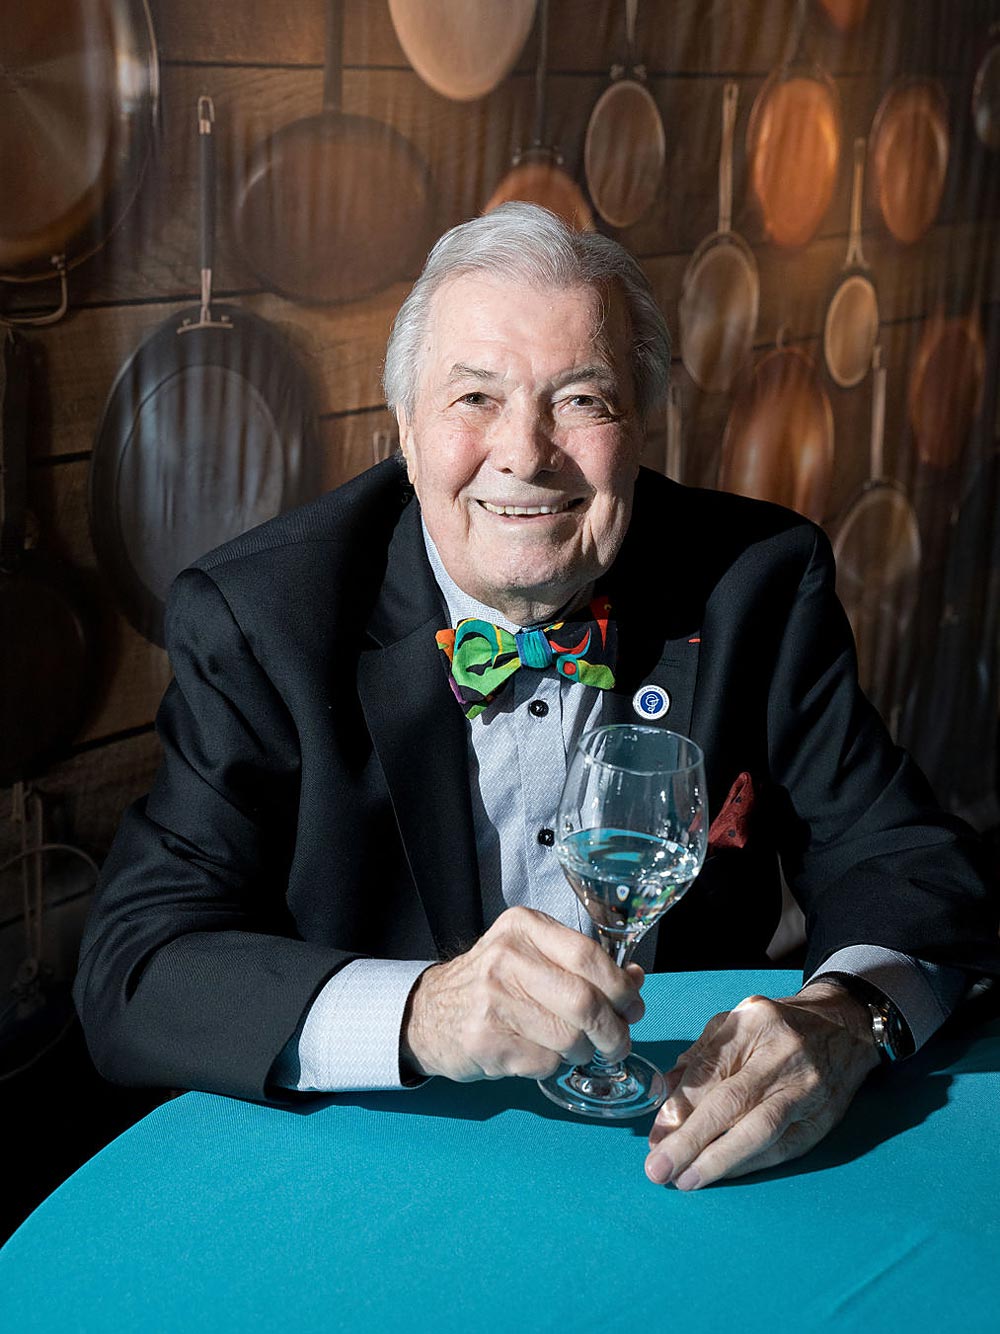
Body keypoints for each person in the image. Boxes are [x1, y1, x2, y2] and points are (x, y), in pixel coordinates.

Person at [75, 203, 999, 1192]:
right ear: (404, 430)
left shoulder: (757, 579)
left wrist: (841, 1015)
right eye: (474, 396)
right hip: (369, 1156)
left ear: (641, 424)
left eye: (581, 398)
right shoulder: (262, 617)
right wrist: (422, 1012)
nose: (524, 452)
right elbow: (134, 971)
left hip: (690, 1140)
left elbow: (907, 858)